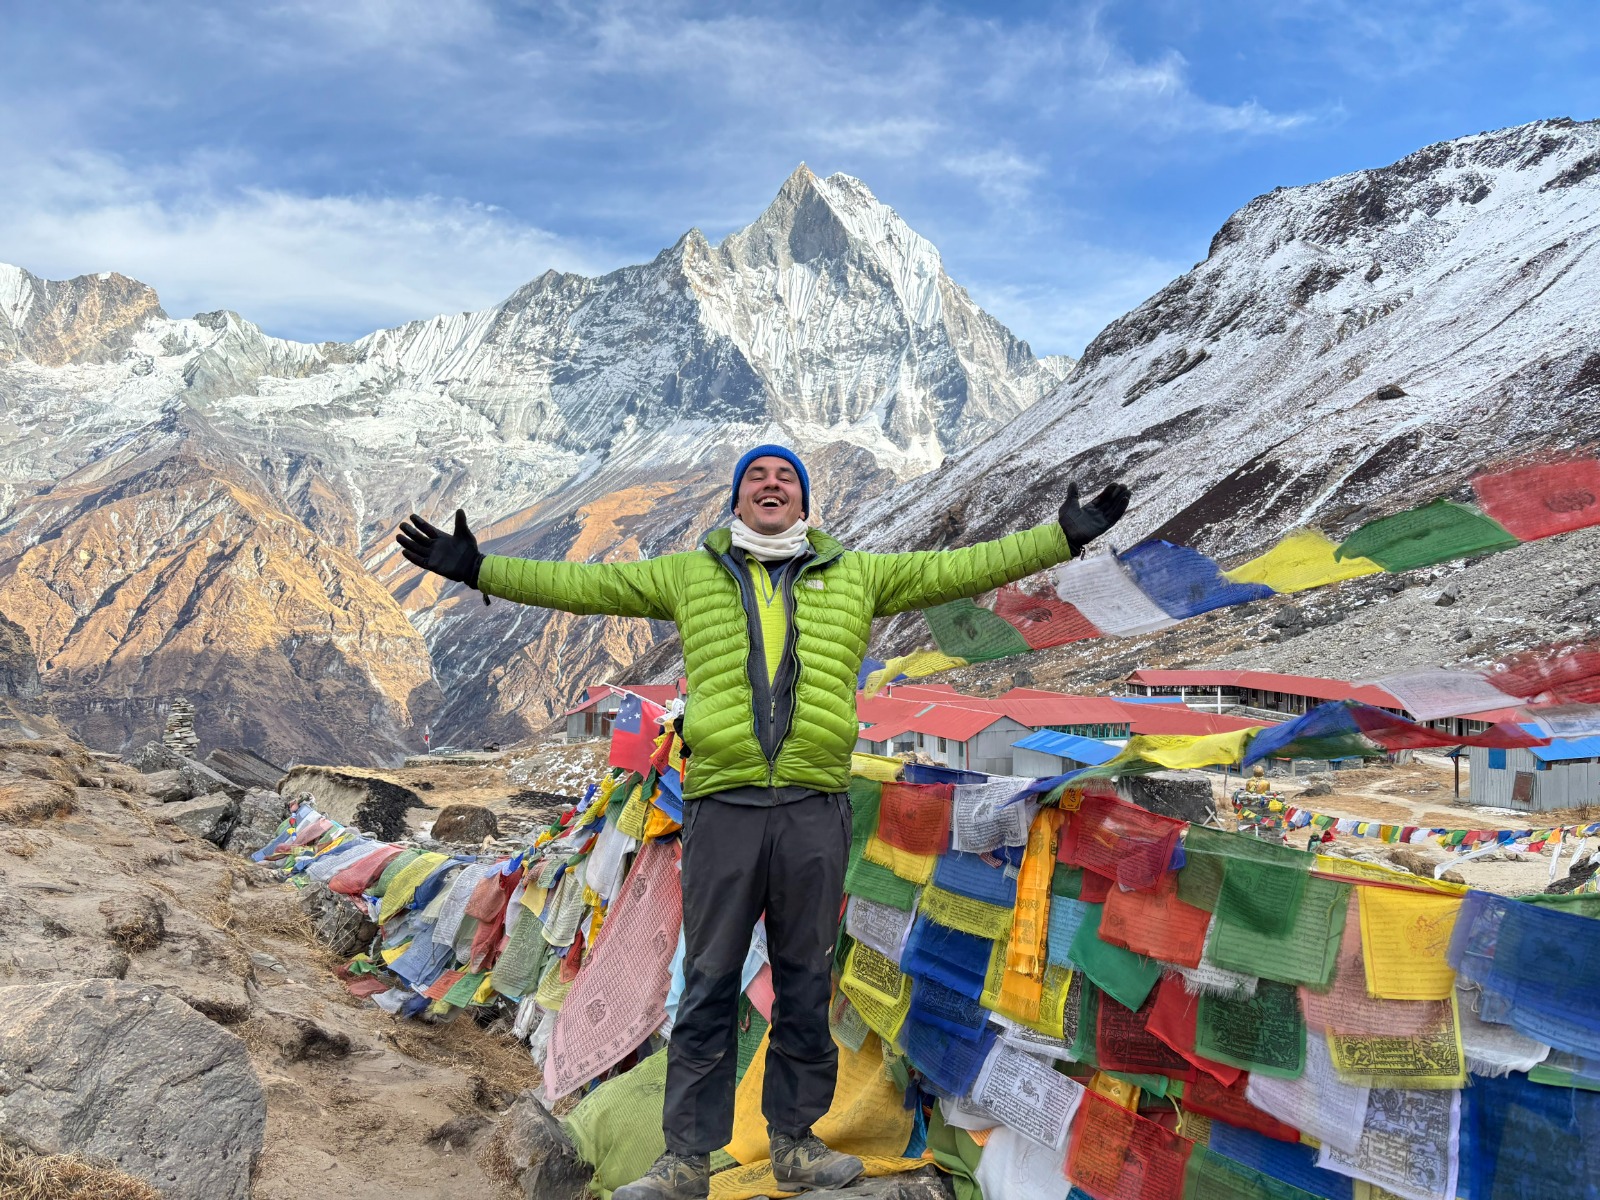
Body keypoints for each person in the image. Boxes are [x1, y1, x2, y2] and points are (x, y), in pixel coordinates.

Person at [397, 446, 1129, 1200]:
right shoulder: (690, 575)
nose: (771, 484)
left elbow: (960, 570)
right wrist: (478, 569)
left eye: (786, 478)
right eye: (757, 476)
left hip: (815, 805)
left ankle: (795, 1144)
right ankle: (685, 1160)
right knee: (710, 980)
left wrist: (1060, 539)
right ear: (737, 500)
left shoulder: (859, 574)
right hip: (724, 806)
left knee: (805, 980)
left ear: (804, 502)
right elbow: (584, 587)